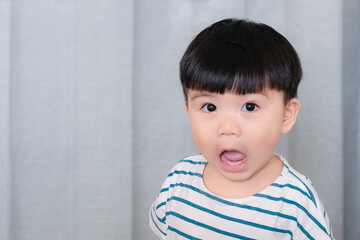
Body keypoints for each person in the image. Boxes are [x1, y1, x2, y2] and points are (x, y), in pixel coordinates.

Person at [149, 18, 333, 239]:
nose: (228, 128)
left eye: (250, 106)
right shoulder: (179, 179)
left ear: (286, 115)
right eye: (209, 107)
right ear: (188, 110)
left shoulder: (296, 203)